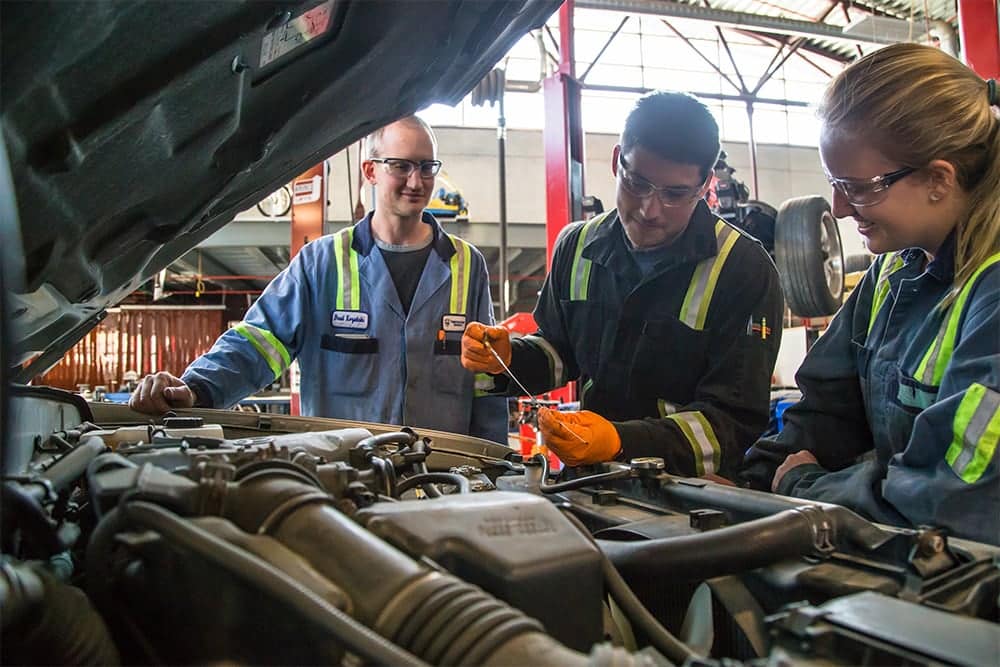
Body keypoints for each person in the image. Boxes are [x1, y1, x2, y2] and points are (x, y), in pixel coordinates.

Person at [741, 44, 999, 545]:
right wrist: (745, 489)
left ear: (938, 180)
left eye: (858, 187)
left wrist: (803, 487)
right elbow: (826, 412)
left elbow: (953, 499)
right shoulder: (891, 275)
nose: (837, 209)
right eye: (835, 184)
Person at [461, 92, 784, 478]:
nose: (650, 209)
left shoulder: (742, 268)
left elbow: (733, 424)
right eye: (638, 183)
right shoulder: (577, 246)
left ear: (704, 187)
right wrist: (507, 358)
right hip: (589, 479)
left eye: (675, 194)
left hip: (692, 499)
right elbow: (561, 352)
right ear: (617, 161)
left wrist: (622, 441)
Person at [130, 116, 507, 444]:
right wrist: (196, 388)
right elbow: (259, 342)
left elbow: (486, 379)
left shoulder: (465, 265)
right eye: (401, 166)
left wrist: (494, 467)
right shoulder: (320, 262)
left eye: (427, 167)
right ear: (370, 170)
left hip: (441, 478)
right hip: (348, 477)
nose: (416, 180)